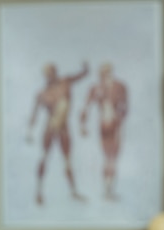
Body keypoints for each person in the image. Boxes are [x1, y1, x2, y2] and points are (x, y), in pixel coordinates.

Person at [27, 62, 89, 205]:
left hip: (63, 128)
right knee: (44, 157)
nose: (49, 76)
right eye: (47, 74)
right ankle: (38, 191)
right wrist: (29, 131)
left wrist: (85, 69)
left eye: (51, 73)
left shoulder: (64, 82)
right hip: (50, 128)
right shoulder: (42, 94)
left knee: (67, 160)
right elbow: (34, 114)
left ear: (55, 73)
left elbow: (80, 76)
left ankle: (73, 191)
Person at [80, 62, 128, 200]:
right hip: (104, 125)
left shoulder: (119, 87)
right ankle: (107, 190)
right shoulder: (96, 88)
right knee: (108, 157)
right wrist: (83, 125)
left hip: (115, 124)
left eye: (106, 72)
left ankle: (109, 189)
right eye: (102, 73)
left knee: (113, 158)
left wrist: (119, 117)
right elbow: (86, 106)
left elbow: (125, 106)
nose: (103, 76)